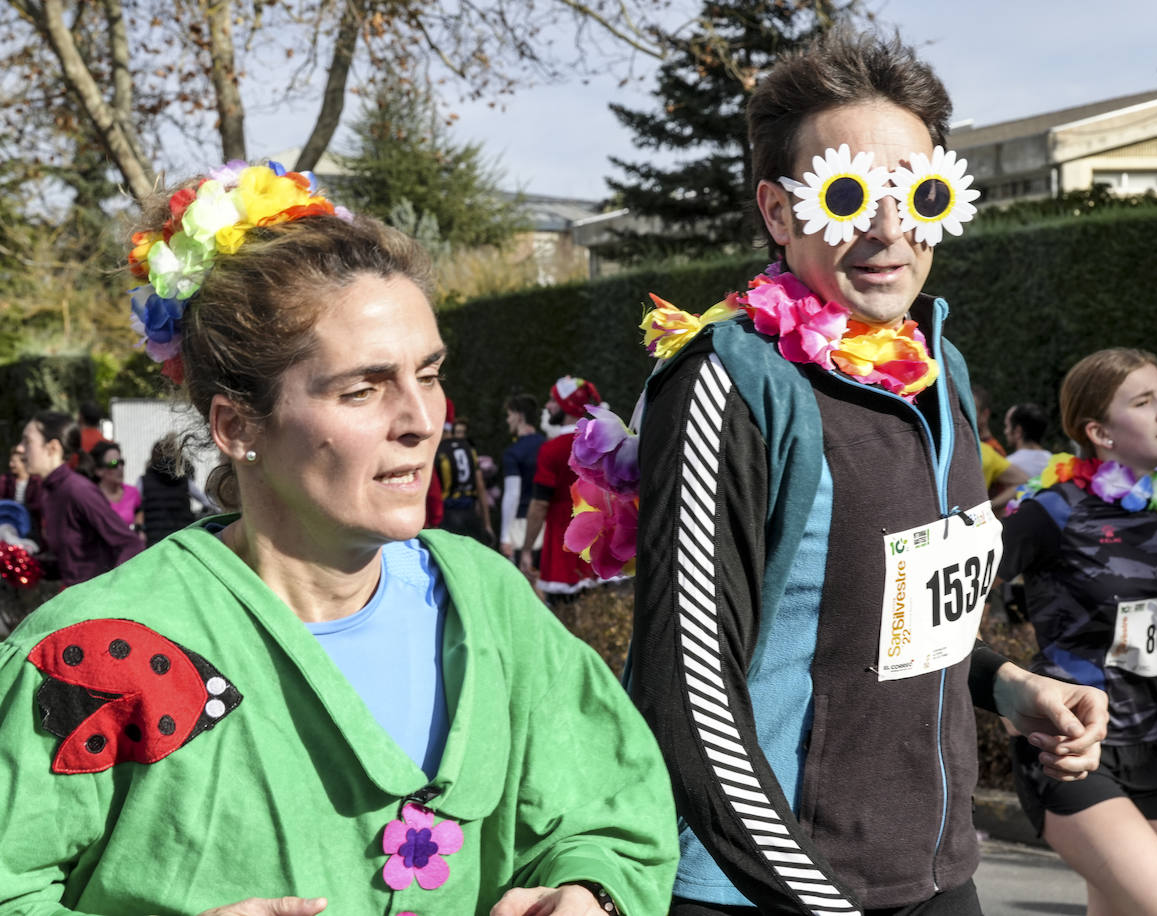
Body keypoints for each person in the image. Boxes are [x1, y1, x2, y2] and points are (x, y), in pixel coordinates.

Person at [0, 161, 676, 916]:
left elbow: (608, 813)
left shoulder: (489, 603)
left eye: (430, 373)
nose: (422, 420)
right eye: (363, 389)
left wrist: (588, 894)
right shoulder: (90, 649)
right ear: (237, 426)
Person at [629, 29, 1107, 916]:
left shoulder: (939, 365)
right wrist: (814, 897)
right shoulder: (727, 379)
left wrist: (1008, 685)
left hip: (933, 874)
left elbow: (899, 623)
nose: (889, 230)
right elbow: (683, 696)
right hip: (759, 889)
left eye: (915, 193)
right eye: (848, 195)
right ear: (778, 213)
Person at [998, 348, 1157, 916]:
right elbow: (960, 595)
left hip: (1153, 743)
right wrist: (1000, 685)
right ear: (1099, 432)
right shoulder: (1053, 508)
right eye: (1144, 402)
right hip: (1070, 743)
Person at [16, 412, 143, 587]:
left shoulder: (78, 490)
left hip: (94, 606)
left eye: (27, 441)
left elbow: (130, 544)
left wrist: (108, 593)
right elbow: (71, 563)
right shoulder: (48, 492)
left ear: (52, 448)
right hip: (71, 600)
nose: (20, 449)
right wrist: (25, 564)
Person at [520, 377, 602, 599]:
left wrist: (527, 548)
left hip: (563, 547)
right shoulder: (604, 443)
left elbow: (539, 504)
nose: (547, 406)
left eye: (552, 401)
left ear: (567, 406)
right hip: (601, 545)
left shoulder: (551, 449)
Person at [434, 405, 493, 545]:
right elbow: (480, 486)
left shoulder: (438, 450)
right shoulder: (468, 448)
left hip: (448, 515)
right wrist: (487, 523)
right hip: (470, 513)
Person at [499, 394, 545, 561]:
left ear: (519, 415)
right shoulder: (548, 445)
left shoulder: (514, 452)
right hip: (549, 523)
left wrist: (504, 536)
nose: (508, 420)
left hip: (521, 525)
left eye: (509, 415)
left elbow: (512, 494)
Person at [139, 432, 201, 545]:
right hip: (181, 539)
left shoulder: (143, 481)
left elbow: (135, 506)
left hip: (154, 541)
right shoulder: (184, 480)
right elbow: (207, 501)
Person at [91, 440, 144, 533]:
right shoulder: (92, 497)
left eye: (122, 462)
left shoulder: (132, 492)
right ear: (99, 470)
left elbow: (139, 511)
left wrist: (139, 529)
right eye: (114, 464)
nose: (120, 468)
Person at [0, 444, 43, 541]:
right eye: (10, 461)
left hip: (30, 521)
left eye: (14, 462)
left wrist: (23, 509)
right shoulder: (6, 479)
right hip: (10, 518)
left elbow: (39, 504)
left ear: (24, 463)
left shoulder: (36, 480)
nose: (11, 465)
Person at [1004, 403, 1052, 479]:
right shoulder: (1053, 463)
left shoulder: (1007, 465)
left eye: (1007, 426)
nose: (1005, 431)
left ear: (1018, 431)